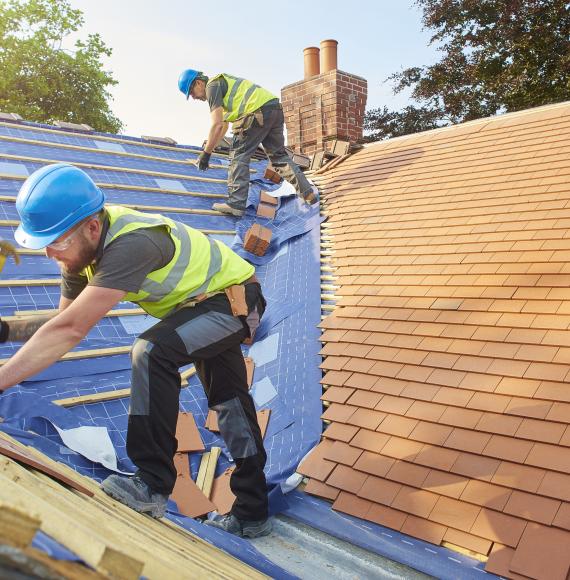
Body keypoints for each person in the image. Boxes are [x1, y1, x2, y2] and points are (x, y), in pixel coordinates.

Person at [0, 163, 272, 538]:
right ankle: (253, 511)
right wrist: (6, 330)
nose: (49, 253)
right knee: (230, 403)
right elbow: (63, 321)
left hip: (236, 301)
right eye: (43, 243)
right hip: (200, 308)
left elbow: (69, 331)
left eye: (56, 242)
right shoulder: (78, 253)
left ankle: (151, 484)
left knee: (151, 351)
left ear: (92, 227)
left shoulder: (133, 243)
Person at [178, 69, 318, 217]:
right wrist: (209, 150)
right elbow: (223, 127)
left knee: (238, 156)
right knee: (279, 158)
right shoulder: (223, 88)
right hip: (274, 109)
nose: (193, 97)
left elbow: (217, 124)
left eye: (191, 92)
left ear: (199, 82)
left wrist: (205, 155)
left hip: (256, 112)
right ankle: (308, 193)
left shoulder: (212, 87)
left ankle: (236, 204)